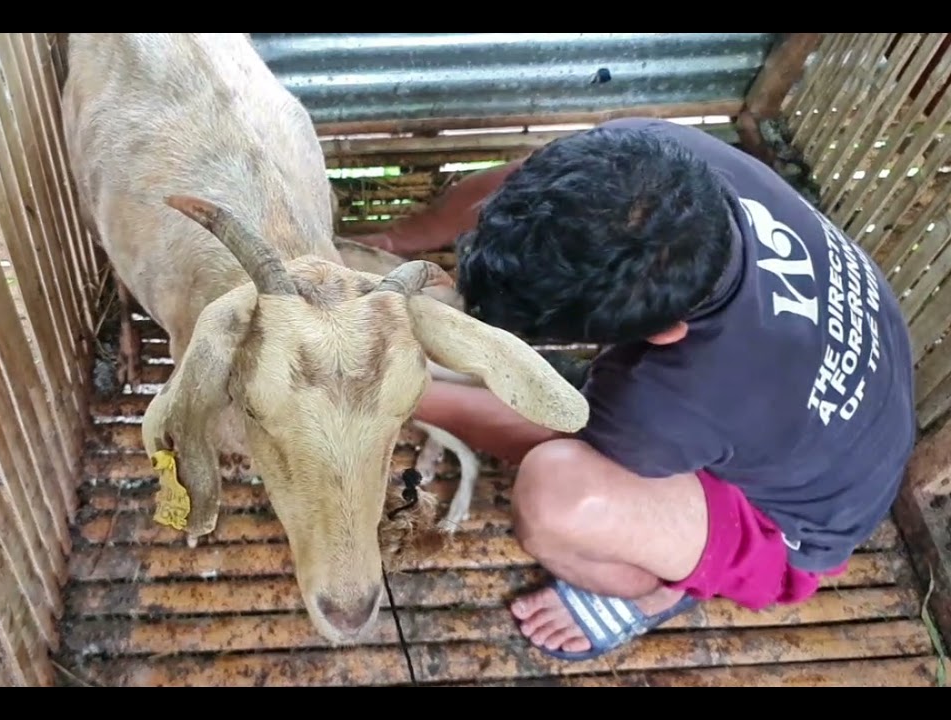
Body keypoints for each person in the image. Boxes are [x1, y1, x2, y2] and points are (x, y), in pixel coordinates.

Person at [386, 117, 917, 661]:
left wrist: (389, 384)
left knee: (558, 494)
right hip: (847, 392)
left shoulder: (672, 401)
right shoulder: (642, 161)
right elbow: (517, 184)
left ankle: (658, 591)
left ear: (665, 334)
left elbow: (553, 431)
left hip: (796, 525)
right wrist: (390, 242)